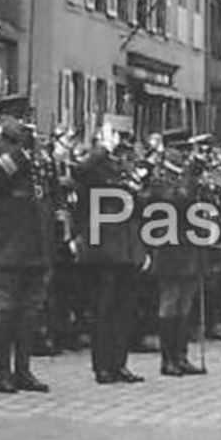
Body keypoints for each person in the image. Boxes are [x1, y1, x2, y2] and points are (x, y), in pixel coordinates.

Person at [0, 95, 55, 394]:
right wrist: (21, 154)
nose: (24, 123)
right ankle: (3, 373)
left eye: (26, 116)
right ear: (4, 118)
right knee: (5, 311)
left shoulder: (36, 152)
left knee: (30, 311)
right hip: (3, 243)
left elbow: (48, 191)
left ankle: (24, 369)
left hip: (33, 242)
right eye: (18, 117)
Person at [73, 113, 146, 384]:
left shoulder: (124, 170)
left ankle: (119, 363)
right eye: (117, 140)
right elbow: (80, 171)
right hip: (103, 248)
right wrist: (102, 148)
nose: (122, 148)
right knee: (103, 310)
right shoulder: (96, 168)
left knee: (124, 310)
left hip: (126, 248)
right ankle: (102, 366)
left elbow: (139, 208)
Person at [141, 130, 208, 376]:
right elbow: (177, 201)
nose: (183, 155)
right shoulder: (160, 176)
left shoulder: (187, 176)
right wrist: (191, 176)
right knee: (170, 300)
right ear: (168, 150)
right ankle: (168, 358)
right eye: (179, 150)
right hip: (168, 243)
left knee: (186, 301)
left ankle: (181, 355)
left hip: (190, 242)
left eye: (185, 150)